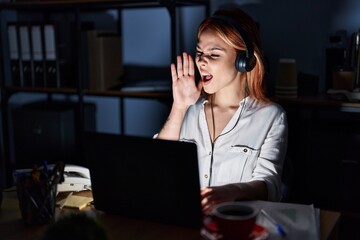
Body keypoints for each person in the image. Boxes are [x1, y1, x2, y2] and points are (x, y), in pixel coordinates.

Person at [156, 7, 288, 213]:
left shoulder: (271, 116)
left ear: (244, 61)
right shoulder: (188, 109)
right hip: (186, 223)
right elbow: (157, 164)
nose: (201, 60)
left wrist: (230, 191)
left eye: (214, 54)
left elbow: (268, 185)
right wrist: (179, 107)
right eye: (199, 52)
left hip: (236, 225)